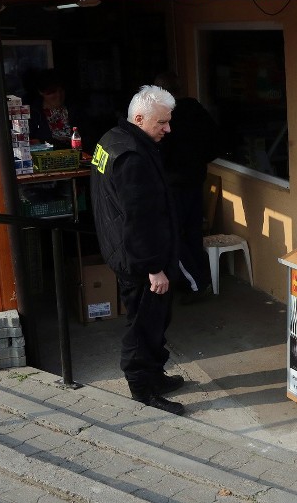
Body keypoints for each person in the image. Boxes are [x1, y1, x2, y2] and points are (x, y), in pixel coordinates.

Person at [89, 85, 185, 416]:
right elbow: (138, 219)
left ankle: (155, 375)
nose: (168, 129)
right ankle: (143, 389)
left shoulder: (112, 140)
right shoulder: (132, 156)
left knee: (154, 321)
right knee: (143, 325)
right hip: (141, 261)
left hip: (124, 251)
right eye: (162, 123)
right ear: (140, 118)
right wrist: (153, 267)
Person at [154, 71, 220, 303]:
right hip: (195, 179)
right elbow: (215, 143)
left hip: (173, 183)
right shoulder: (196, 110)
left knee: (172, 234)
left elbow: (161, 150)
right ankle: (200, 280)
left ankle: (196, 283)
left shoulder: (166, 117)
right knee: (192, 233)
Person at [28, 69, 83, 148]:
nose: (59, 95)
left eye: (61, 91)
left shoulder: (74, 109)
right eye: (52, 92)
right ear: (41, 92)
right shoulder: (34, 114)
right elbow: (33, 142)